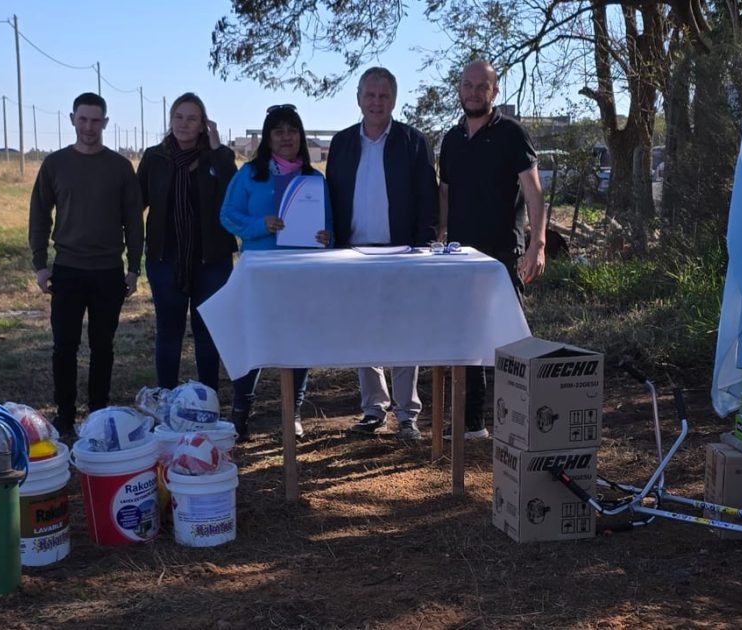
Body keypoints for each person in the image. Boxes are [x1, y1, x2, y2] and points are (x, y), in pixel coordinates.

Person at [326, 66, 438, 441]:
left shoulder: (413, 141)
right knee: (365, 330)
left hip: (403, 252)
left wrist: (422, 246)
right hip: (354, 252)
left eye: (384, 95)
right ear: (358, 98)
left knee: (405, 331)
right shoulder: (342, 143)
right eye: (370, 95)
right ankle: (374, 408)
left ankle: (407, 414)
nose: (376, 102)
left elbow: (428, 198)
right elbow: (332, 197)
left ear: (394, 99)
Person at [438, 60, 546, 440]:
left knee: (509, 340)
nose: (473, 92)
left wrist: (537, 245)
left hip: (502, 256)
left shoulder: (512, 134)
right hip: (460, 257)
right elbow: (445, 195)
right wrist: (438, 238)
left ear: (494, 91)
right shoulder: (451, 140)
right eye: (467, 85)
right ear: (459, 89)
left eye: (481, 86)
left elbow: (534, 193)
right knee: (467, 338)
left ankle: (523, 423)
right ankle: (473, 424)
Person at [28, 92, 144, 437]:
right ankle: (64, 414)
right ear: (72, 120)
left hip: (108, 271)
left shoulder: (120, 167)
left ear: (105, 123)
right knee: (64, 346)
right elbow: (39, 215)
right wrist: (40, 264)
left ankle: (98, 412)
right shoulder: (55, 164)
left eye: (96, 120)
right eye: (83, 119)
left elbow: (133, 221)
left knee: (102, 347)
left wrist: (133, 268)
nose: (89, 127)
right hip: (68, 270)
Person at [219, 104, 333, 442]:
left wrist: (326, 238)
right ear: (268, 138)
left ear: (301, 136)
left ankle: (292, 412)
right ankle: (241, 411)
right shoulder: (249, 174)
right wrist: (259, 225)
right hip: (259, 275)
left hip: (299, 275)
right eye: (278, 131)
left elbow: (329, 227)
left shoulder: (314, 180)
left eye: (292, 130)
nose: (286, 137)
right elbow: (227, 214)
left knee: (297, 343)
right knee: (252, 342)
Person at [137, 93, 238, 391]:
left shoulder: (216, 157)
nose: (184, 124)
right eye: (179, 117)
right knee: (169, 331)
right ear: (170, 120)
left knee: (207, 330)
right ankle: (166, 396)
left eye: (192, 118)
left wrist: (218, 150)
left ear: (203, 124)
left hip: (212, 260)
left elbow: (233, 192)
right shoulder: (154, 157)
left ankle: (207, 397)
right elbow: (136, 202)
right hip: (166, 258)